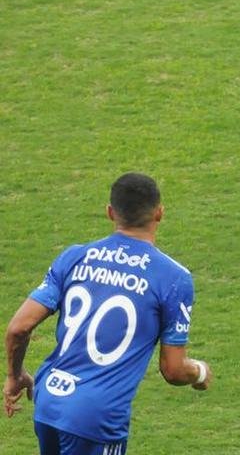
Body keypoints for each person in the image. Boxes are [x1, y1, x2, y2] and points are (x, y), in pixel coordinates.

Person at [4, 172, 211, 454]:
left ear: (110, 212)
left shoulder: (74, 257)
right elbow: (173, 370)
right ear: (159, 213)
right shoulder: (173, 278)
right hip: (96, 418)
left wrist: (15, 374)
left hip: (49, 401)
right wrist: (199, 373)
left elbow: (18, 328)